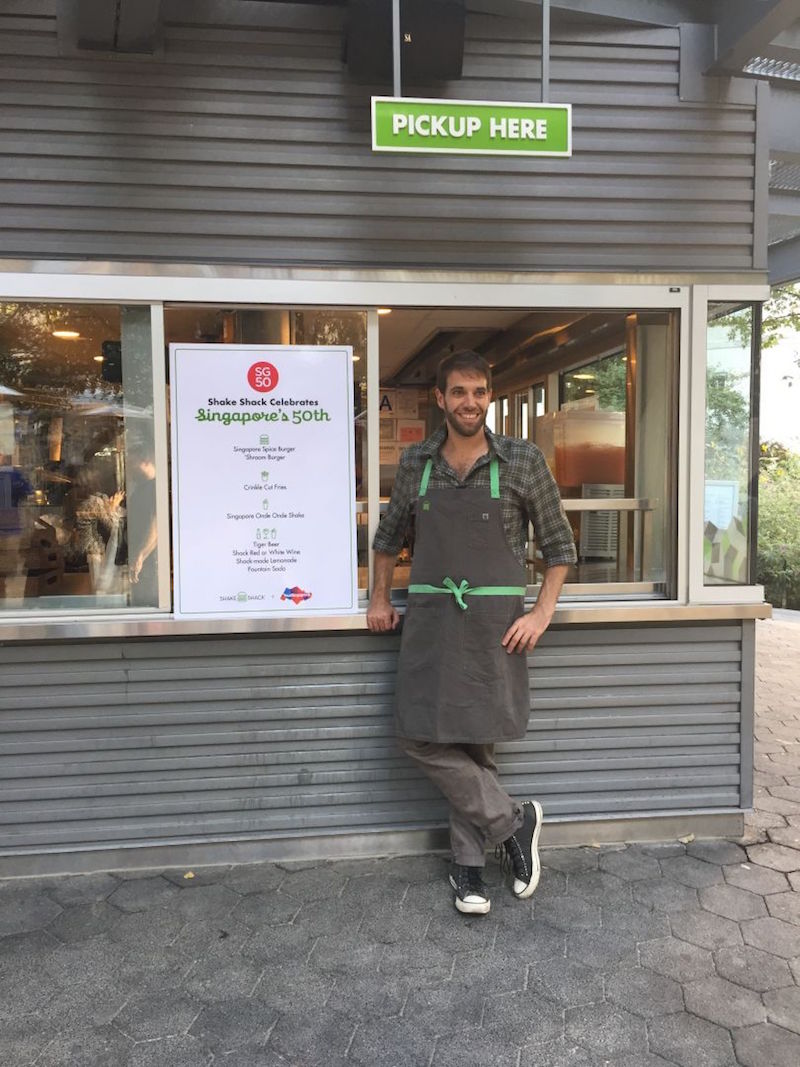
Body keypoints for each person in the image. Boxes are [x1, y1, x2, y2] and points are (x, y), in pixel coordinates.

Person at [367, 350, 576, 916]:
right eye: (458, 393)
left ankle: (468, 871)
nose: (470, 403)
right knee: (419, 734)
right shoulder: (417, 462)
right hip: (433, 621)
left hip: (493, 624)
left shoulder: (522, 460)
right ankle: (514, 822)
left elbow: (560, 547)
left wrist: (541, 613)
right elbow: (387, 538)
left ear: (490, 396)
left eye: (479, 392)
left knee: (475, 740)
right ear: (440, 399)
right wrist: (380, 598)